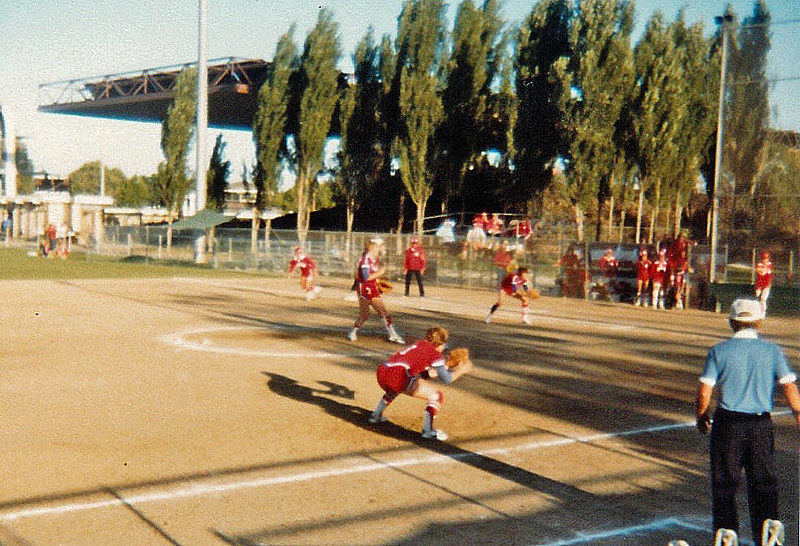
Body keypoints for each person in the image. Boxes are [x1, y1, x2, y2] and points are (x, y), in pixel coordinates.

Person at [695, 298, 800, 544]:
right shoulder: (772, 351)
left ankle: (726, 534)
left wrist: (701, 415)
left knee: (725, 484)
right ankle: (768, 532)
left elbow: (704, 390)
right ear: (759, 322)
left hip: (727, 425)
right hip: (760, 425)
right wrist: (798, 414)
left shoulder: (719, 351)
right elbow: (790, 387)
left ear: (732, 322)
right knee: (763, 481)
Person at [368, 326, 472, 440]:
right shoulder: (435, 354)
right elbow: (446, 379)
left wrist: (444, 367)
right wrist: (461, 370)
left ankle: (376, 415)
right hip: (398, 375)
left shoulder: (419, 344)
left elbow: (423, 374)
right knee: (437, 396)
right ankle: (428, 431)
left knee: (400, 385)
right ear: (440, 343)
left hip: (383, 371)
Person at [347, 240, 404, 344]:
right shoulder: (365, 261)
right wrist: (380, 273)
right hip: (364, 288)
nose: (379, 249)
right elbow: (365, 277)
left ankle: (353, 332)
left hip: (372, 287)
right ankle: (392, 334)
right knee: (373, 313)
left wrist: (377, 282)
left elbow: (372, 277)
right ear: (372, 248)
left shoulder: (374, 260)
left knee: (373, 313)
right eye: (377, 248)